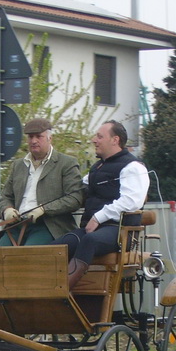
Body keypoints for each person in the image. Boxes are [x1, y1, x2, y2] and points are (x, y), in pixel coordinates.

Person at [52, 120, 150, 289]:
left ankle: (61, 291)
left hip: (119, 232)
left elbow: (131, 201)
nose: (93, 140)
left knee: (89, 240)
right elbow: (78, 192)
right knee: (56, 247)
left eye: (99, 136)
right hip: (91, 230)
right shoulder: (97, 168)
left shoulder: (133, 167)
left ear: (115, 140)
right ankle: (41, 290)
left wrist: (98, 217)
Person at [0, 118, 84, 246]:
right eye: (30, 137)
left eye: (39, 136)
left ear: (50, 138)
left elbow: (75, 199)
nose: (34, 141)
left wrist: (44, 209)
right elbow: (6, 197)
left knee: (29, 257)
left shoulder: (66, 163)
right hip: (16, 226)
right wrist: (7, 210)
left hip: (48, 226)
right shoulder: (18, 165)